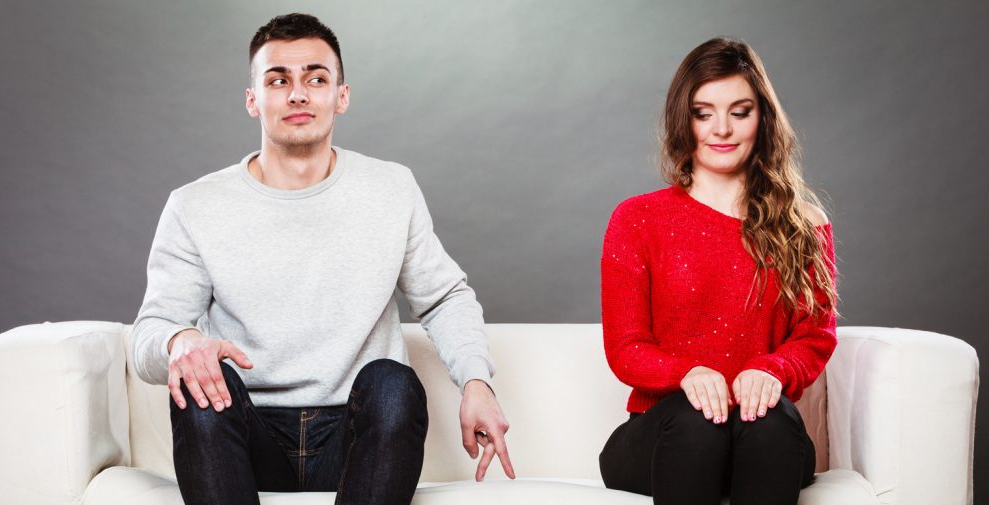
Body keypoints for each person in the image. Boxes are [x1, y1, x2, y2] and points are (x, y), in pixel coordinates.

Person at [131, 13, 514, 505]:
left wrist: (476, 382)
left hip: (356, 436)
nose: (298, 94)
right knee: (204, 386)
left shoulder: (391, 188)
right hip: (247, 434)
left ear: (341, 96)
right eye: (278, 80)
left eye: (316, 78)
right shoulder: (194, 205)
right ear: (253, 100)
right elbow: (148, 336)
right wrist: (180, 338)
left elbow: (444, 297)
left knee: (392, 382)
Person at [598, 37, 837, 505]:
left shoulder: (803, 223)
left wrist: (771, 369)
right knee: (696, 421)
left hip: (761, 433)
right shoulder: (636, 219)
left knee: (768, 422)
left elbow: (814, 336)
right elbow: (626, 349)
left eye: (740, 111)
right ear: (682, 120)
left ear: (762, 118)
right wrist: (687, 374)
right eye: (703, 113)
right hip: (664, 434)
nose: (722, 129)